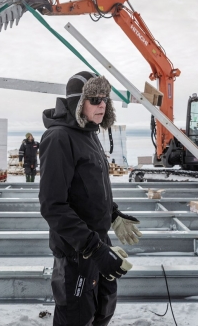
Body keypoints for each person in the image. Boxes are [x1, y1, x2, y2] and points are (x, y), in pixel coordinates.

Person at [39, 71, 140, 326]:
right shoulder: (59, 138)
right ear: (77, 102)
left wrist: (113, 215)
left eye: (105, 99)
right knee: (77, 317)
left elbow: (90, 187)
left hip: (97, 244)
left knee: (103, 310)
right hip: (76, 252)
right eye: (95, 99)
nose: (102, 104)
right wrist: (93, 249)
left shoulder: (90, 133)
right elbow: (53, 206)